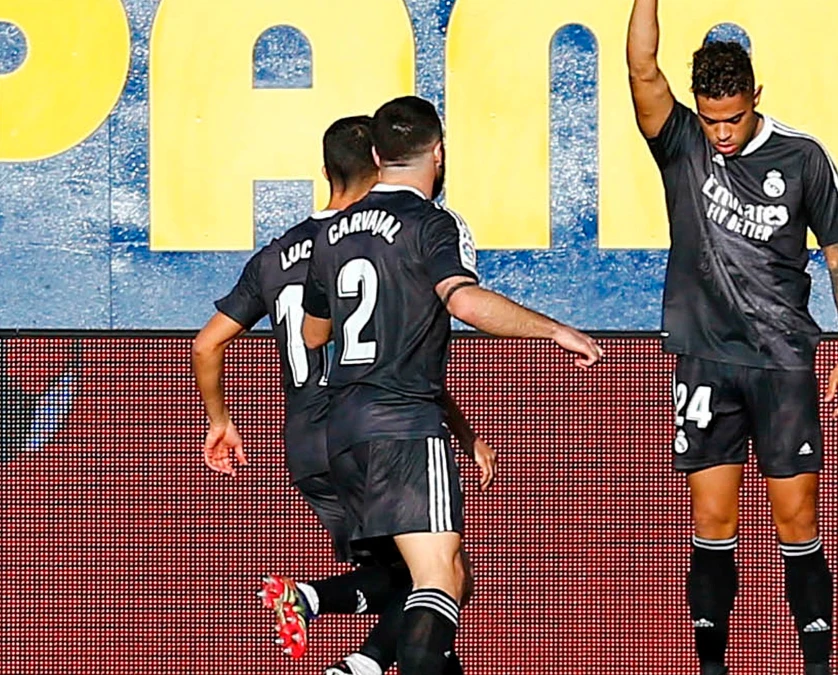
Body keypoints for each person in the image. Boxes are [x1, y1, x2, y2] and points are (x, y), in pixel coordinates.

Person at [300, 95, 603, 675]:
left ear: (374, 154)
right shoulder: (433, 223)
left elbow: (315, 334)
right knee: (442, 579)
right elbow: (463, 299)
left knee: (420, 583)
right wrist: (554, 330)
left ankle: (359, 665)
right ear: (437, 153)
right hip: (404, 426)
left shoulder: (333, 234)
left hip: (343, 431)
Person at [192, 116, 491, 675]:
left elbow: (209, 346)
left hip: (312, 446)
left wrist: (220, 421)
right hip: (379, 424)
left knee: (413, 581)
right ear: (380, 164)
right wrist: (464, 430)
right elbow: (405, 351)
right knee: (438, 576)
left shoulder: (278, 253)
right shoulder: (391, 233)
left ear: (325, 170)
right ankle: (325, 618)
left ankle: (352, 655)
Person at [626, 2, 838, 673]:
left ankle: (816, 662)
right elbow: (641, 65)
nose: (722, 132)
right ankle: (711, 664)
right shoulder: (681, 142)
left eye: (732, 117)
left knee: (796, 518)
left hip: (783, 359)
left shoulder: (803, 157)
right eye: (711, 118)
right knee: (712, 521)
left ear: (755, 96)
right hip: (704, 358)